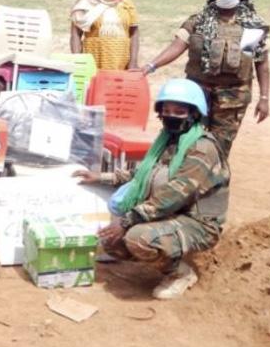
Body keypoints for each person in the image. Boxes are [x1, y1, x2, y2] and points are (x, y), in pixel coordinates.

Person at [74, 79, 230, 300]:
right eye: (166, 110)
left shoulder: (202, 147)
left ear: (194, 113)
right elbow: (143, 174)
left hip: (198, 222)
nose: (171, 116)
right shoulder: (167, 140)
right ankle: (163, 252)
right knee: (112, 243)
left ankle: (181, 273)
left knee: (137, 238)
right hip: (168, 213)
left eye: (179, 111)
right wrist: (101, 177)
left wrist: (127, 221)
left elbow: (175, 193)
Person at [141, 0, 270, 154]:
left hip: (232, 98)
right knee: (184, 137)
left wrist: (264, 98)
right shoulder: (199, 21)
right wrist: (151, 65)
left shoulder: (253, 27)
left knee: (220, 145)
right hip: (197, 93)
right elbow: (177, 46)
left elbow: (262, 64)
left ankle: (214, 171)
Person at [70, 0, 140, 70]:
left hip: (121, 59)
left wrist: (133, 62)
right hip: (93, 58)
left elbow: (134, 33)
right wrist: (77, 61)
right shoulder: (86, 3)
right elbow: (76, 34)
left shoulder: (126, 3)